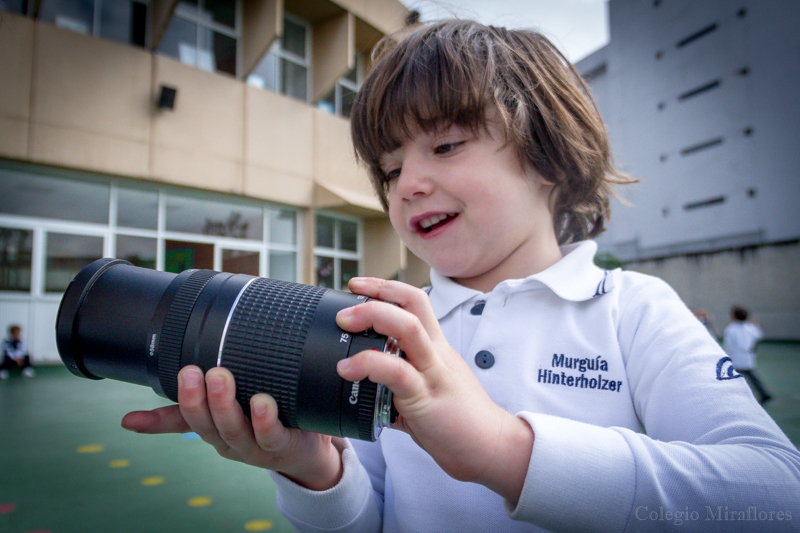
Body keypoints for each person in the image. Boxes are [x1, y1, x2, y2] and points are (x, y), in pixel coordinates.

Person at [121, 20, 800, 531]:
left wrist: (504, 449)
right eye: (389, 169)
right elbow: (371, 519)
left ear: (549, 159)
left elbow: (774, 494)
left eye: (445, 145)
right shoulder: (386, 325)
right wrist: (314, 470)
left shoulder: (630, 307)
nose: (408, 184)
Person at [723, 306, 772, 404]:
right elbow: (759, 336)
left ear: (734, 317)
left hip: (736, 357)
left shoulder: (731, 328)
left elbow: (727, 345)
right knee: (753, 377)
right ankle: (764, 393)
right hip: (748, 357)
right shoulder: (750, 327)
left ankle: (732, 397)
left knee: (732, 378)